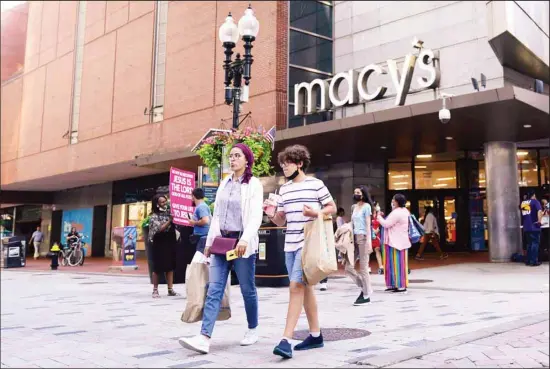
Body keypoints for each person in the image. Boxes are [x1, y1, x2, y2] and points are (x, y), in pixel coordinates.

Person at [179, 143, 263, 354]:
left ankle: (253, 329)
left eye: (237, 156)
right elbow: (216, 216)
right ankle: (204, 337)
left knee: (247, 289)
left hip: (241, 244)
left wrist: (245, 240)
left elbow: (255, 216)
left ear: (247, 160)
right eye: (231, 156)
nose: (232, 159)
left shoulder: (253, 184)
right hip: (221, 243)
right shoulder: (224, 183)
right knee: (214, 288)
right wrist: (209, 243)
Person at [264, 144, 336, 359]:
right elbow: (280, 221)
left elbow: (331, 206)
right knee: (306, 289)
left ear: (300, 163)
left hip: (308, 243)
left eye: (288, 164)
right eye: (282, 164)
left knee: (295, 286)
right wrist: (270, 213)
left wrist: (316, 212)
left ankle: (285, 339)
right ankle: (315, 335)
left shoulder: (316, 184)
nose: (284, 168)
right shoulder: (283, 189)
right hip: (290, 244)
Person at [343, 186, 374, 305]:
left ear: (363, 194)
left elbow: (368, 225)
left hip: (363, 237)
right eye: (354, 192)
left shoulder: (366, 207)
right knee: (348, 267)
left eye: (358, 192)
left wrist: (369, 242)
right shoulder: (354, 207)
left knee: (363, 268)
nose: (355, 194)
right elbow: (353, 222)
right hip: (353, 238)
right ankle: (366, 288)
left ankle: (366, 296)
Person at [377, 194, 412, 293]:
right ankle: (397, 284)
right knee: (398, 264)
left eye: (393, 199)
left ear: (396, 202)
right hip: (401, 241)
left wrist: (379, 216)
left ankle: (398, 285)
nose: (392, 201)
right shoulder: (405, 211)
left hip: (394, 241)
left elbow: (386, 224)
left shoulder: (397, 213)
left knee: (394, 264)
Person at [148, 194, 180, 298]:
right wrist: (170, 220)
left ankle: (170, 289)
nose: (164, 203)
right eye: (162, 202)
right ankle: (155, 290)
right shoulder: (153, 216)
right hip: (159, 243)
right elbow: (159, 229)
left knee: (170, 266)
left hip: (169, 241)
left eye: (165, 201)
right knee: (157, 267)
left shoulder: (168, 213)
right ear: (157, 204)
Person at [520, 190, 543, 266]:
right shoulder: (535, 202)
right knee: (535, 243)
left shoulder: (523, 203)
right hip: (534, 225)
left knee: (529, 243)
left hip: (526, 226)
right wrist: (539, 221)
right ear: (533, 195)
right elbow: (539, 211)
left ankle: (528, 260)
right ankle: (533, 261)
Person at [188, 188, 211, 254]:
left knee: (200, 258)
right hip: (201, 236)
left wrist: (193, 222)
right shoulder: (201, 206)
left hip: (202, 236)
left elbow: (205, 220)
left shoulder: (201, 207)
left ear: (193, 196)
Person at [372, 202, 384, 275]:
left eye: (378, 205)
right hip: (369, 234)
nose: (377, 206)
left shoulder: (380, 214)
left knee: (377, 250)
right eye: (376, 205)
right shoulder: (369, 215)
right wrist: (372, 230)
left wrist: (377, 230)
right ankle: (366, 267)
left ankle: (381, 266)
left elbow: (383, 223)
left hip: (377, 235)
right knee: (367, 252)